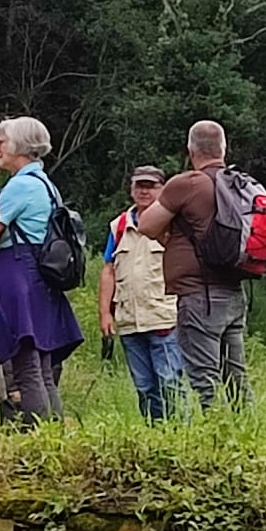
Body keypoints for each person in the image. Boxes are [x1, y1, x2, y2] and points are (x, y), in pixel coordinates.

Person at [138, 121, 249, 409]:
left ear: (191, 151)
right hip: (234, 292)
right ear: (224, 149)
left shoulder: (187, 184)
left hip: (199, 296)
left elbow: (146, 224)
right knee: (236, 377)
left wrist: (170, 232)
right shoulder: (240, 184)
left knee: (204, 379)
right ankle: (246, 429)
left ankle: (211, 432)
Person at [0, 117, 83, 423]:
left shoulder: (20, 186)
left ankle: (35, 432)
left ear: (19, 145)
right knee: (42, 366)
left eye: (2, 142)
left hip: (16, 274)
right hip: (40, 278)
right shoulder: (47, 185)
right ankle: (53, 431)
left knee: (26, 366)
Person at [100, 164, 183, 421]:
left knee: (170, 382)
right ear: (131, 189)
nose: (144, 191)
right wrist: (105, 313)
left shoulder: (173, 224)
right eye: (139, 185)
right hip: (129, 321)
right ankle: (152, 433)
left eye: (151, 186)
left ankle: (179, 432)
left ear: (163, 190)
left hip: (164, 317)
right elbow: (108, 270)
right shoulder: (118, 226)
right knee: (144, 386)